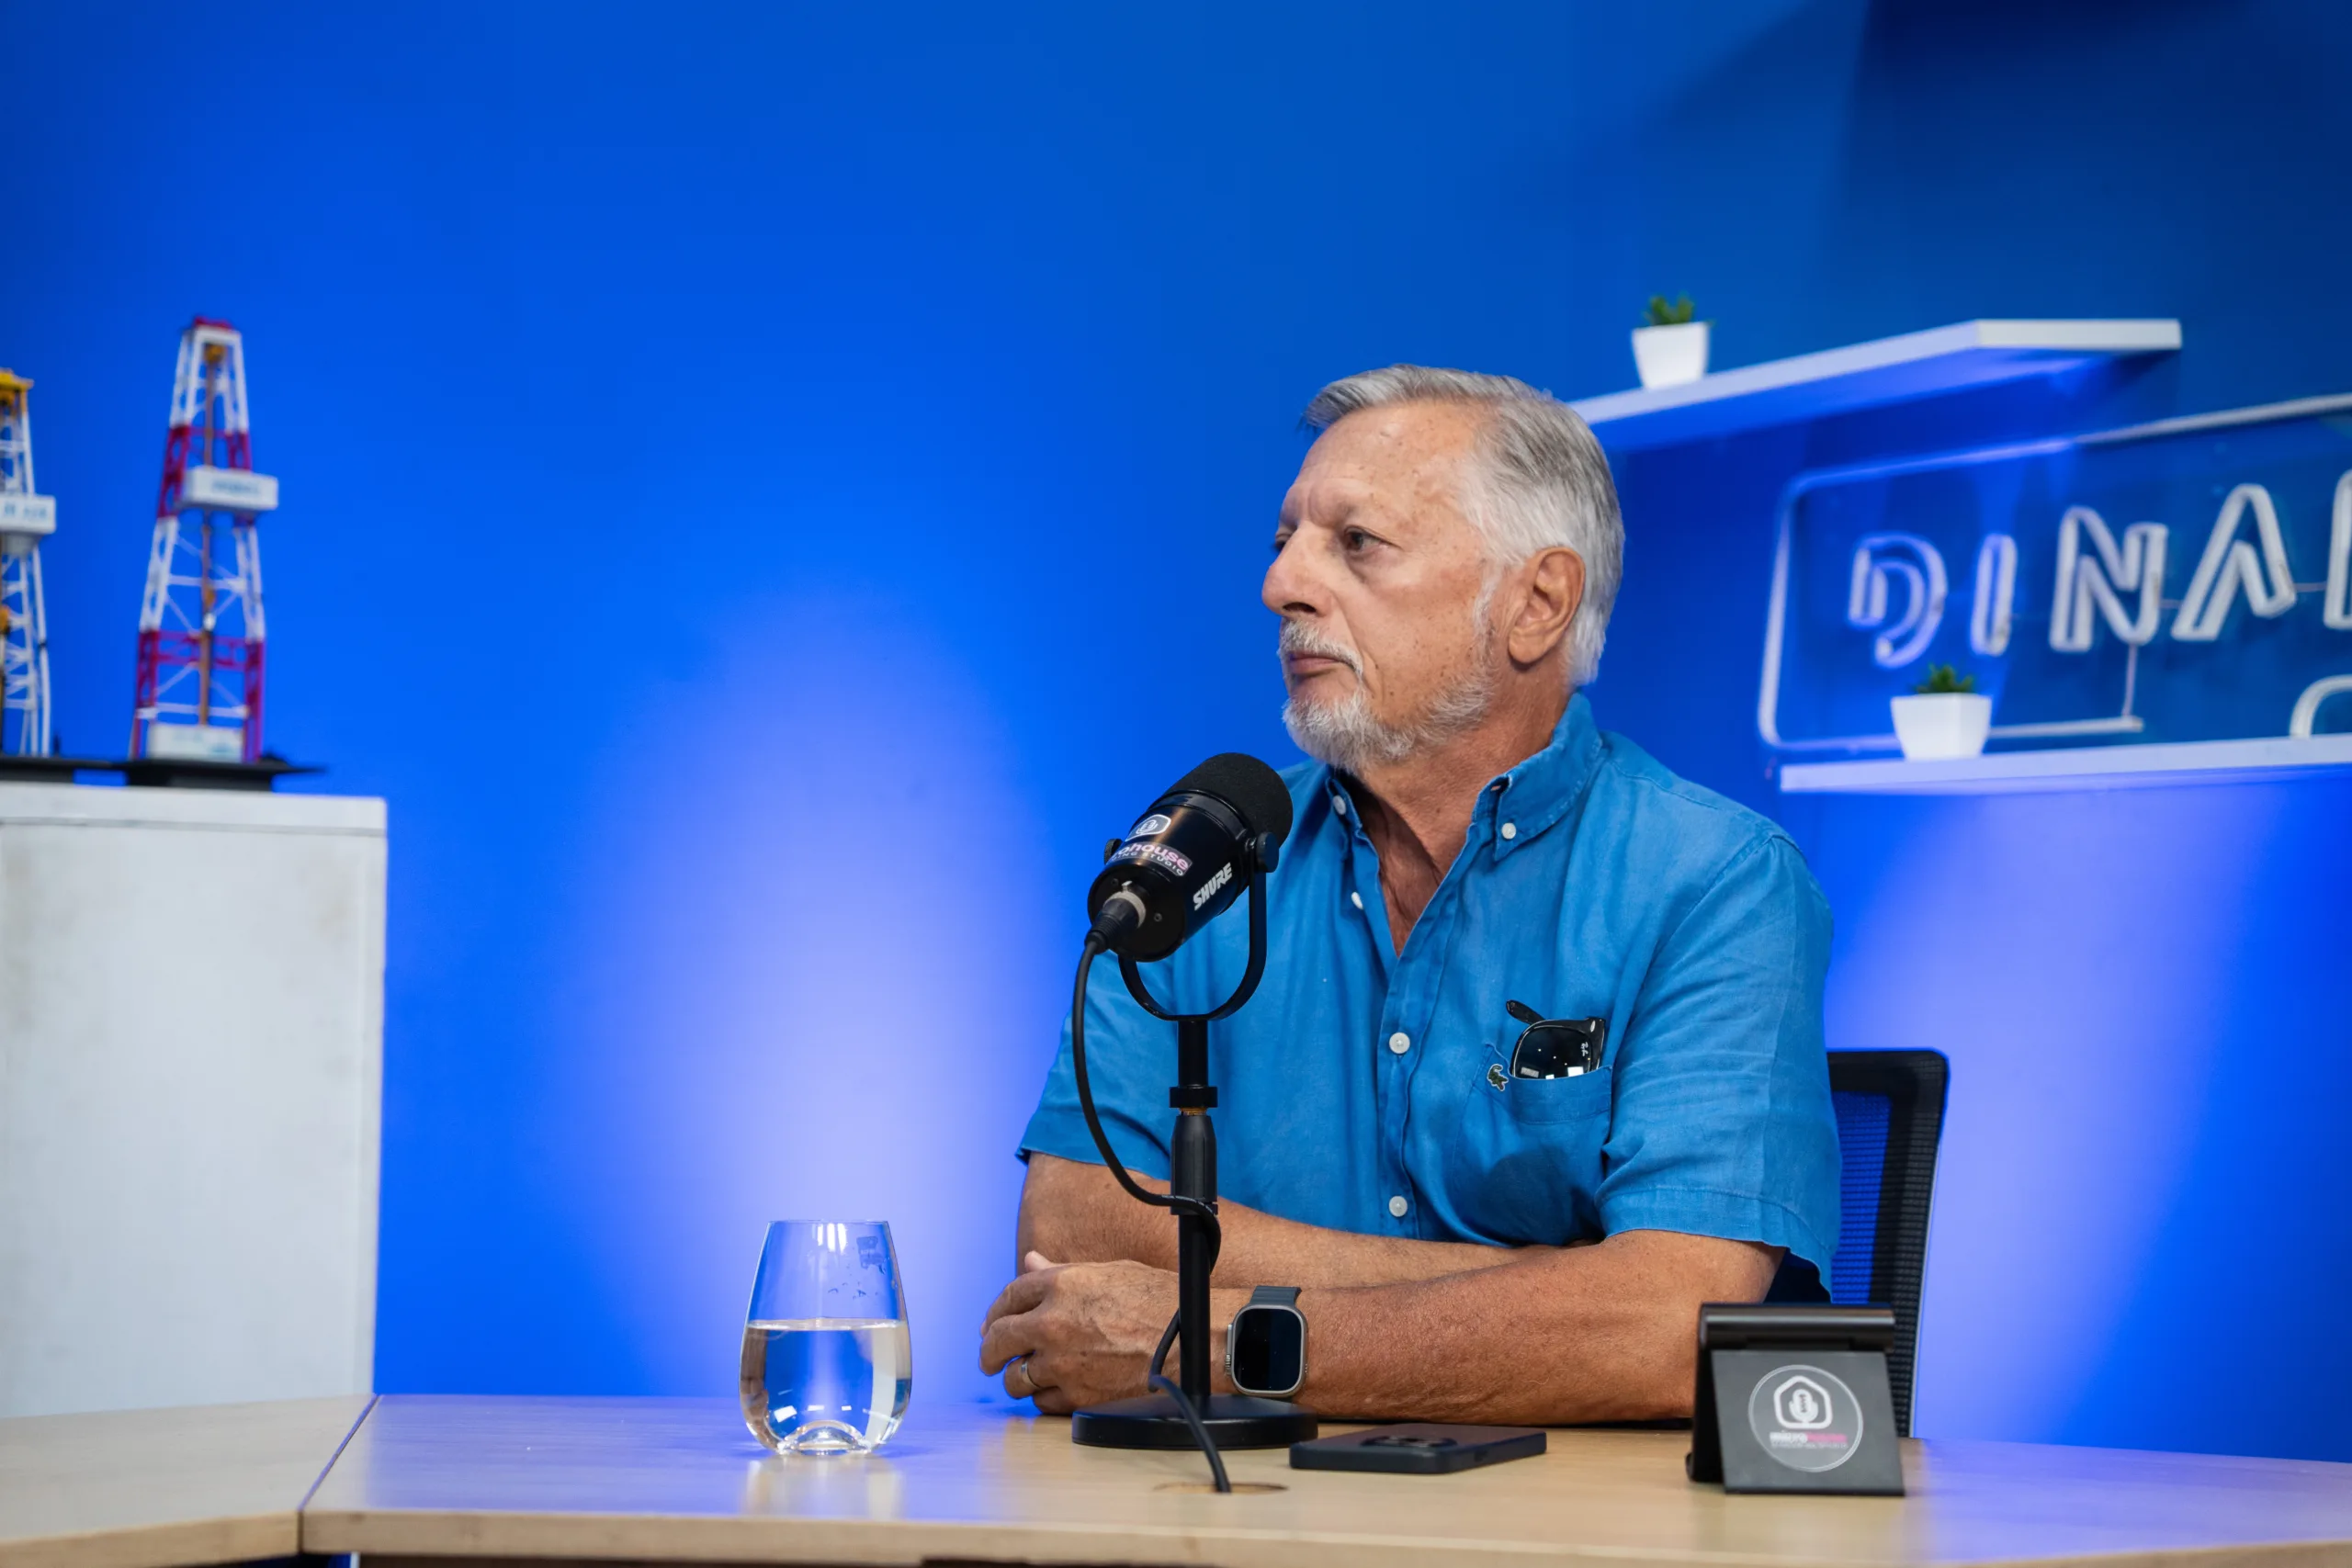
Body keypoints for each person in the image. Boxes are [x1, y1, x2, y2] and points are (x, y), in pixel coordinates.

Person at [979, 367, 1837, 1425]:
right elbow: (1070, 1230)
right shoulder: (1195, 864)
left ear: (1536, 604)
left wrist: (1220, 1339)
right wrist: (1546, 1286)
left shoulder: (1715, 881)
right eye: (1283, 540)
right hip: (1240, 1505)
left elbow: (1666, 1326)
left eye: (1356, 543)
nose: (1281, 585)